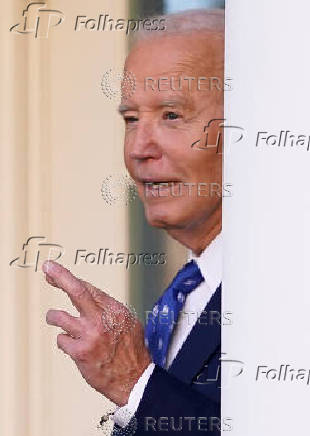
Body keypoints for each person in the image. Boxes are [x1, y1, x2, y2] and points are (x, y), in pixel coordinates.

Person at [43, 9, 225, 435]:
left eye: (172, 116)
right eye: (130, 120)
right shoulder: (183, 294)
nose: (139, 148)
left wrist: (133, 381)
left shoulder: (300, 291)